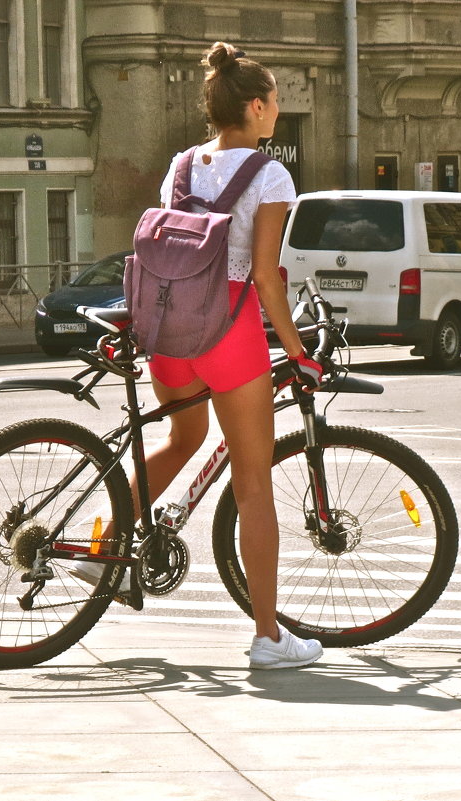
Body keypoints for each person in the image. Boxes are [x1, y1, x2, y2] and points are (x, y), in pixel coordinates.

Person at [89, 43, 324, 670]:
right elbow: (269, 280)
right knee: (253, 484)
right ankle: (269, 638)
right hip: (227, 329)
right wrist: (298, 352)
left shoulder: (183, 166)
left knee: (180, 437)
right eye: (274, 100)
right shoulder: (271, 175)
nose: (278, 110)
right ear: (254, 105)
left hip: (168, 327)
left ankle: (101, 545)